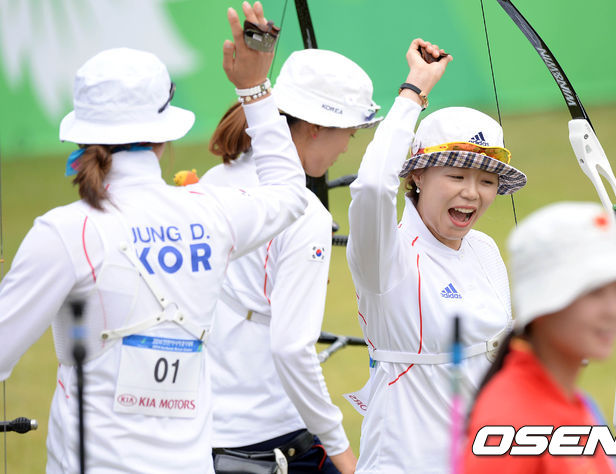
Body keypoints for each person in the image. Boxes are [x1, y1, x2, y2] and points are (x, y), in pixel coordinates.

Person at [0, 2, 308, 472]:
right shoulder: (209, 212)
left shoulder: (65, 231)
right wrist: (254, 88)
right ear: (163, 135)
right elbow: (289, 191)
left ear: (83, 135)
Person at [345, 38, 528, 473]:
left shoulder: (483, 249)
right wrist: (415, 90)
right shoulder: (386, 254)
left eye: (487, 181)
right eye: (457, 175)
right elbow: (371, 187)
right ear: (419, 175)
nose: (472, 193)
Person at [201, 48, 381, 474]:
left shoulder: (215, 179)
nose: (347, 146)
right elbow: (291, 347)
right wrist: (342, 451)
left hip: (202, 432)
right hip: (272, 438)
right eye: (349, 133)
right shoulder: (305, 214)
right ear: (316, 128)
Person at [463, 202, 616, 473]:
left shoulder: (574, 402)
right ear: (543, 304)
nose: (615, 310)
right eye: (594, 292)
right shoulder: (509, 424)